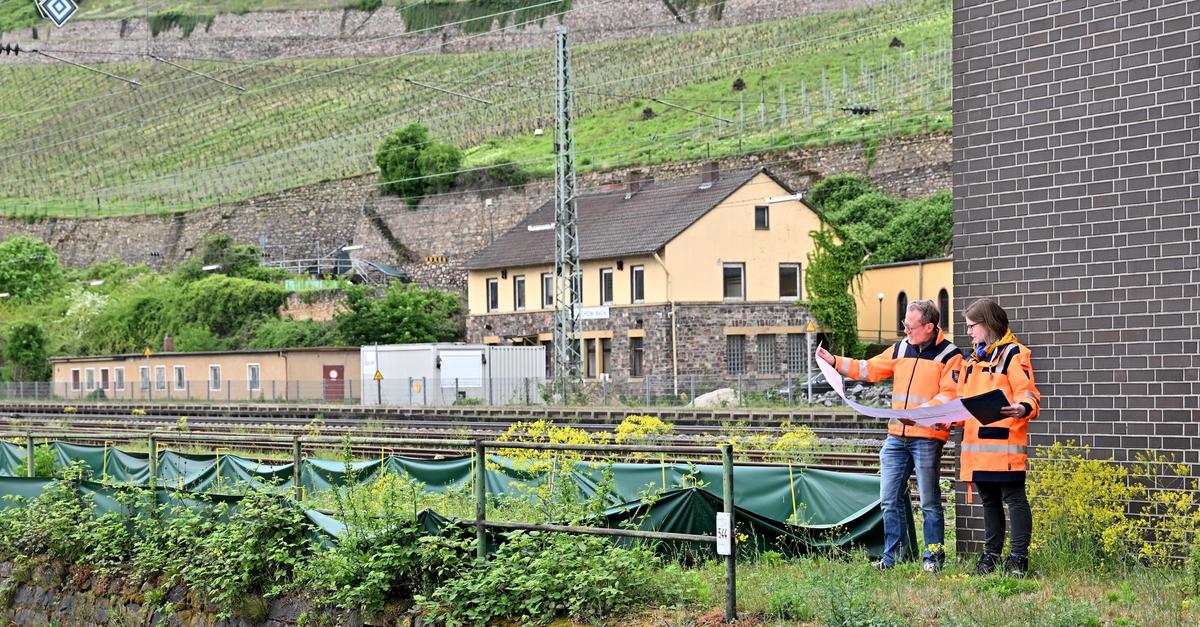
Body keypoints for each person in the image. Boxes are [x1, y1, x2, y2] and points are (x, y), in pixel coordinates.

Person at [816, 299, 961, 571]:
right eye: (904, 324)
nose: (905, 330)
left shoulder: (950, 355)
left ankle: (933, 560)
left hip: (927, 437)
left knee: (929, 502)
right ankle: (892, 558)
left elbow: (948, 396)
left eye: (910, 325)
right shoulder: (901, 348)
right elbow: (869, 369)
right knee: (888, 499)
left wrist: (918, 414)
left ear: (929, 326)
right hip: (896, 436)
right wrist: (834, 361)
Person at [956, 298, 1041, 576]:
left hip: (1004, 447)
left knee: (1014, 499)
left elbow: (1027, 392)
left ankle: (1017, 559)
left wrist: (1022, 407)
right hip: (977, 449)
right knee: (990, 502)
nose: (968, 332)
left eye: (971, 326)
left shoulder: (1013, 354)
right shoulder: (973, 359)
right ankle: (990, 557)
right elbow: (961, 401)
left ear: (988, 324)